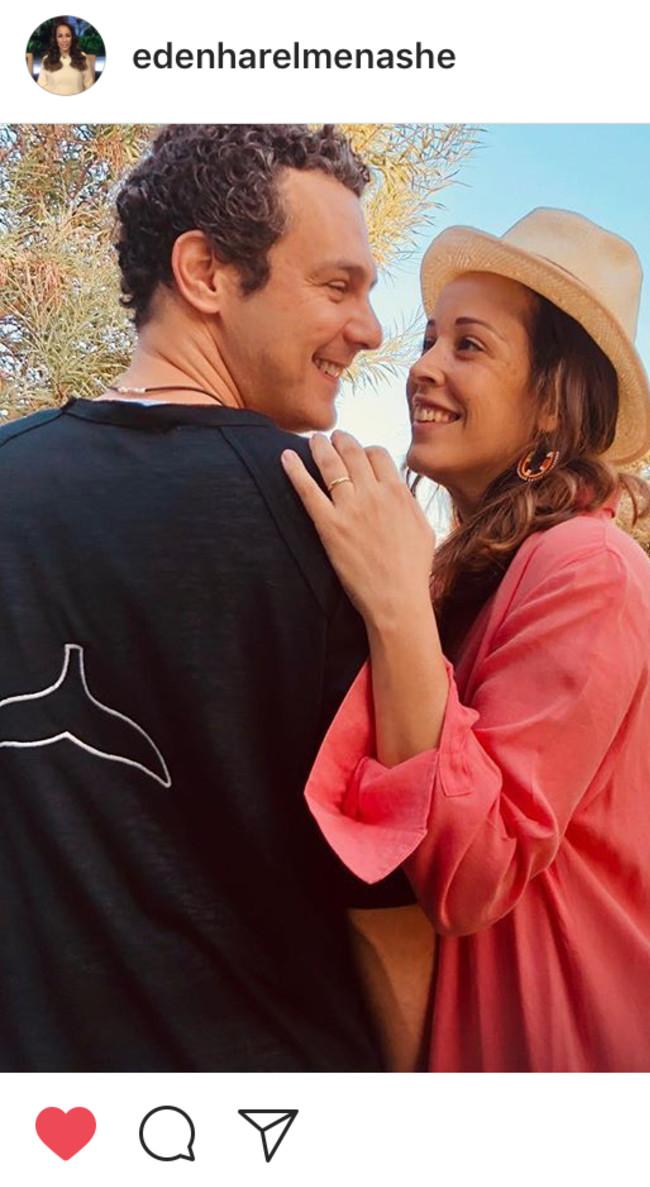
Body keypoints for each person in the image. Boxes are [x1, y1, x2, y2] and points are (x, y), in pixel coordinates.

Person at [284, 209, 650, 1072]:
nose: (423, 366)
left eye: (469, 345)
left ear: (552, 407)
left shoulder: (590, 568)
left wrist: (396, 606)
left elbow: (474, 870)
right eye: (431, 337)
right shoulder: (474, 575)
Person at [0, 124, 412, 1071]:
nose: (371, 330)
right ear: (206, 273)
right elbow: (388, 899)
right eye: (337, 286)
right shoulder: (342, 518)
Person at [36, 20, 95, 95]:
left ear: (72, 38)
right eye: (60, 36)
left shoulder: (82, 57)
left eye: (67, 36)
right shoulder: (46, 60)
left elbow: (89, 85)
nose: (64, 40)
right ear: (55, 39)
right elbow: (41, 86)